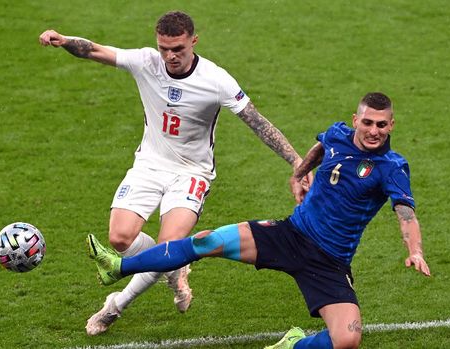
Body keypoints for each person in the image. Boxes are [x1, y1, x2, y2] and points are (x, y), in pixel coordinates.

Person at [87, 92, 431, 348]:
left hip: (329, 262)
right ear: (356, 120)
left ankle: (292, 344)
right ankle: (117, 267)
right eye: (368, 122)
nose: (374, 131)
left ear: (391, 125)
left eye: (381, 124)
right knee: (205, 241)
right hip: (290, 234)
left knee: (348, 340)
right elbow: (321, 148)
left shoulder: (391, 168)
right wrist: (299, 173)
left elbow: (406, 214)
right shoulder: (338, 133)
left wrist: (414, 249)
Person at [39, 11, 310, 336]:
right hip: (149, 165)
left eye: (178, 49)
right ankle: (175, 266)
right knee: (120, 239)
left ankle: (115, 305)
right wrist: (65, 41)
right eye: (164, 48)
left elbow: (257, 122)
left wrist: (297, 162)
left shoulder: (216, 80)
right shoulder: (145, 62)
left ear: (193, 41)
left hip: (192, 173)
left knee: (169, 243)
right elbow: (95, 50)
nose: (171, 56)